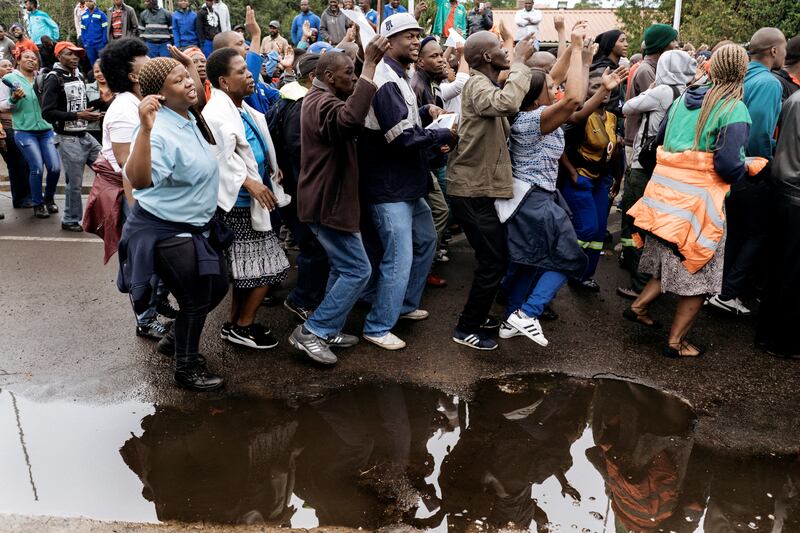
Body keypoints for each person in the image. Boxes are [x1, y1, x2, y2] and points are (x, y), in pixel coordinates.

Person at [626, 44, 762, 358]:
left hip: (663, 201)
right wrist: (747, 167)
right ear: (742, 71)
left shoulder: (680, 102)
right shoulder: (733, 108)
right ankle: (676, 342)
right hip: (699, 208)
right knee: (698, 273)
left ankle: (638, 306)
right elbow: (728, 165)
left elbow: (659, 145)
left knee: (670, 262)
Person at [120, 57, 230, 392]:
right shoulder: (159, 130)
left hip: (194, 226)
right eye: (179, 80)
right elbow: (138, 180)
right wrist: (145, 129)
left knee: (218, 287)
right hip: (164, 229)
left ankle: (174, 338)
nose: (189, 83)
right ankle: (186, 367)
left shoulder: (187, 116)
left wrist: (187, 66)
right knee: (196, 297)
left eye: (189, 77)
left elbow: (195, 90)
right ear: (160, 95)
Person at [290, 37, 390, 364]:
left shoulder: (322, 97)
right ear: (330, 77)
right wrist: (372, 65)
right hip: (327, 203)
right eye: (349, 73)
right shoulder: (321, 102)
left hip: (329, 201)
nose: (354, 77)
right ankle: (313, 331)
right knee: (358, 270)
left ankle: (328, 326)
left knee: (343, 268)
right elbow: (348, 122)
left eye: (357, 71)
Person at [358, 14, 455, 350]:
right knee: (398, 257)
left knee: (427, 241)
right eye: (408, 36)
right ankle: (378, 325)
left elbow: (408, 124)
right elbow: (400, 138)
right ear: (388, 42)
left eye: (417, 35)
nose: (416, 42)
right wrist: (441, 134)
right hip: (388, 187)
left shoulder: (403, 75)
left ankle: (403, 306)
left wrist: (427, 111)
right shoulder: (385, 79)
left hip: (408, 183)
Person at [496, 24, 590, 346]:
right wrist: (576, 49)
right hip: (531, 200)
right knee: (570, 258)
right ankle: (528, 313)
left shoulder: (533, 111)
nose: (556, 88)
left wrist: (571, 41)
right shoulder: (531, 121)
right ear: (537, 97)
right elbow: (576, 97)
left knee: (531, 262)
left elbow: (557, 76)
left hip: (537, 197)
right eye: (550, 88)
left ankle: (511, 317)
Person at [446, 31, 535, 350]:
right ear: (486, 57)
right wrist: (522, 62)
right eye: (499, 47)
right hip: (469, 191)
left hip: (477, 189)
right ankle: (466, 328)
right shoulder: (476, 84)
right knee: (493, 261)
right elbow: (507, 103)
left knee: (493, 258)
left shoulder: (485, 83)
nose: (506, 51)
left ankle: (477, 315)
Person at [203, 47, 291, 349]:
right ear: (224, 82)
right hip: (237, 205)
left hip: (251, 201)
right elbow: (217, 158)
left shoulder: (239, 107)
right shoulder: (214, 113)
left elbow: (252, 148)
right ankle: (243, 326)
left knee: (247, 271)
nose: (249, 74)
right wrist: (248, 182)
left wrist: (269, 170)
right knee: (267, 269)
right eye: (241, 71)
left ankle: (236, 325)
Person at [706, 28, 785, 317]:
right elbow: (759, 134)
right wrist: (768, 163)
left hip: (721, 166)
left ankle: (717, 288)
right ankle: (728, 293)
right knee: (756, 234)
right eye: (784, 48)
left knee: (734, 233)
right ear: (775, 51)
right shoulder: (768, 82)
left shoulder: (738, 76)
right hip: (748, 170)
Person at [618, 50, 696, 299]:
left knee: (634, 221)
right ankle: (652, 279)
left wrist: (651, 87)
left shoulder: (662, 91)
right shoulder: (686, 92)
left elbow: (627, 108)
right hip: (664, 166)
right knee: (655, 226)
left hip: (644, 166)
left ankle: (638, 284)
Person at [266, 53, 330, 322]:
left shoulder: (288, 98)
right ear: (314, 78)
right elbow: (300, 150)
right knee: (314, 246)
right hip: (298, 191)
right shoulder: (300, 104)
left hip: (295, 189)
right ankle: (302, 300)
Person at [560, 67, 627, 292]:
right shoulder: (579, 116)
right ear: (586, 90)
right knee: (586, 228)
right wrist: (572, 173)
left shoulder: (612, 117)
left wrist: (617, 180)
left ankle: (584, 276)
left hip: (602, 181)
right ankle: (560, 269)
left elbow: (614, 152)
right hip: (580, 179)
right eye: (596, 86)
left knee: (598, 232)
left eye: (606, 86)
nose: (604, 91)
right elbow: (558, 144)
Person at [40, 41, 104, 232]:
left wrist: (101, 103)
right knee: (74, 184)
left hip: (85, 135)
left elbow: (80, 103)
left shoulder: (79, 75)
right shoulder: (53, 79)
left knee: (109, 168)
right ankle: (70, 219)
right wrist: (78, 115)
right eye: (69, 54)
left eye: (77, 54)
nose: (75, 57)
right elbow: (48, 112)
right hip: (67, 138)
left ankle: (107, 211)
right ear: (59, 56)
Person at [756, 86, 800, 359]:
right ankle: (785, 341)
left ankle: (768, 334)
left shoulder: (793, 99)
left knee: (778, 268)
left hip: (783, 189)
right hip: (795, 193)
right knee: (792, 274)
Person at [411, 36, 452, 287]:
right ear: (420, 61)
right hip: (422, 165)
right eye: (435, 56)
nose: (441, 60)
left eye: (441, 55)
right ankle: (422, 269)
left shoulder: (430, 84)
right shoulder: (417, 85)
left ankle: (424, 265)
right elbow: (413, 130)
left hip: (431, 160)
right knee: (439, 212)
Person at [3, 49, 60, 219]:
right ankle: (38, 203)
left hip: (46, 130)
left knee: (55, 168)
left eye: (34, 58)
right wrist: (13, 99)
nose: (31, 60)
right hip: (24, 131)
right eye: (26, 57)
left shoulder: (42, 78)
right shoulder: (9, 79)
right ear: (18, 60)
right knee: (36, 167)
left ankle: (49, 198)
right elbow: (2, 105)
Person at [623, 23, 678, 168]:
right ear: (662, 44)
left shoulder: (656, 69)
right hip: (640, 145)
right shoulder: (646, 71)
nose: (676, 44)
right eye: (673, 40)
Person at [212, 10, 281, 114]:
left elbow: (278, 97)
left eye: (245, 42)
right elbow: (248, 78)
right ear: (224, 50)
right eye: (240, 43)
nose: (247, 47)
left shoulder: (259, 83)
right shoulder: (233, 83)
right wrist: (256, 35)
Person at [0, 58, 31, 208]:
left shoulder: (16, 83)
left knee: (26, 162)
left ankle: (28, 195)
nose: (8, 68)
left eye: (10, 66)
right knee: (17, 163)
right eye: (4, 66)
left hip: (21, 126)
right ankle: (21, 198)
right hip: (6, 128)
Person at [80, 0, 109, 66]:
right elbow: (83, 30)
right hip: (89, 45)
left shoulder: (101, 14)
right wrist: (85, 42)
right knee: (93, 64)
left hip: (100, 45)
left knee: (102, 64)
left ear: (94, 2)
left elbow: (106, 28)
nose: (88, 3)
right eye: (87, 1)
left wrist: (104, 41)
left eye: (90, 1)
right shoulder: (84, 16)